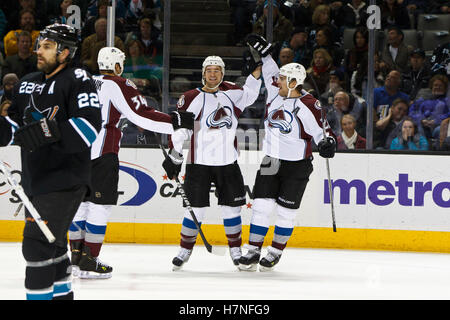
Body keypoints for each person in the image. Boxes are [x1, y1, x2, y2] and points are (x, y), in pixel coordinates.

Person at [68, 47, 194, 279]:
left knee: (79, 206)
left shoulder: (82, 81)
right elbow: (142, 115)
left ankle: (75, 258)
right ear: (117, 66)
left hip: (76, 152)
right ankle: (89, 260)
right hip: (102, 154)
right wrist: (175, 123)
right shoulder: (118, 84)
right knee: (99, 207)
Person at [0, 23, 102, 300]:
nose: (39, 51)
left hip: (66, 179)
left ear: (65, 52)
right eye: (39, 45)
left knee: (36, 246)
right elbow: (13, 126)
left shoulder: (78, 78)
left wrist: (43, 132)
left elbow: (89, 127)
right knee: (54, 246)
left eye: (47, 46)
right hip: (36, 180)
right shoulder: (26, 82)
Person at [238, 34, 336, 272]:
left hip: (297, 165)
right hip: (271, 161)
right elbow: (270, 70)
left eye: (282, 79)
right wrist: (265, 54)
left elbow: (324, 132)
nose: (277, 82)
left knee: (285, 212)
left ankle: (275, 251)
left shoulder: (309, 104)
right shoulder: (274, 93)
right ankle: (252, 250)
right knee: (261, 207)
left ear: (293, 82)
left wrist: (327, 143)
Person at [161, 55, 262, 271]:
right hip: (199, 163)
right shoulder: (190, 98)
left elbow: (251, 95)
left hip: (228, 162)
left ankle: (236, 250)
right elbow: (181, 130)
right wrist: (175, 156)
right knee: (194, 211)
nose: (213, 74)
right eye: (209, 70)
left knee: (232, 209)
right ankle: (184, 249)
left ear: (222, 73)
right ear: (203, 73)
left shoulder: (232, 93)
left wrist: (255, 74)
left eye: (217, 70)